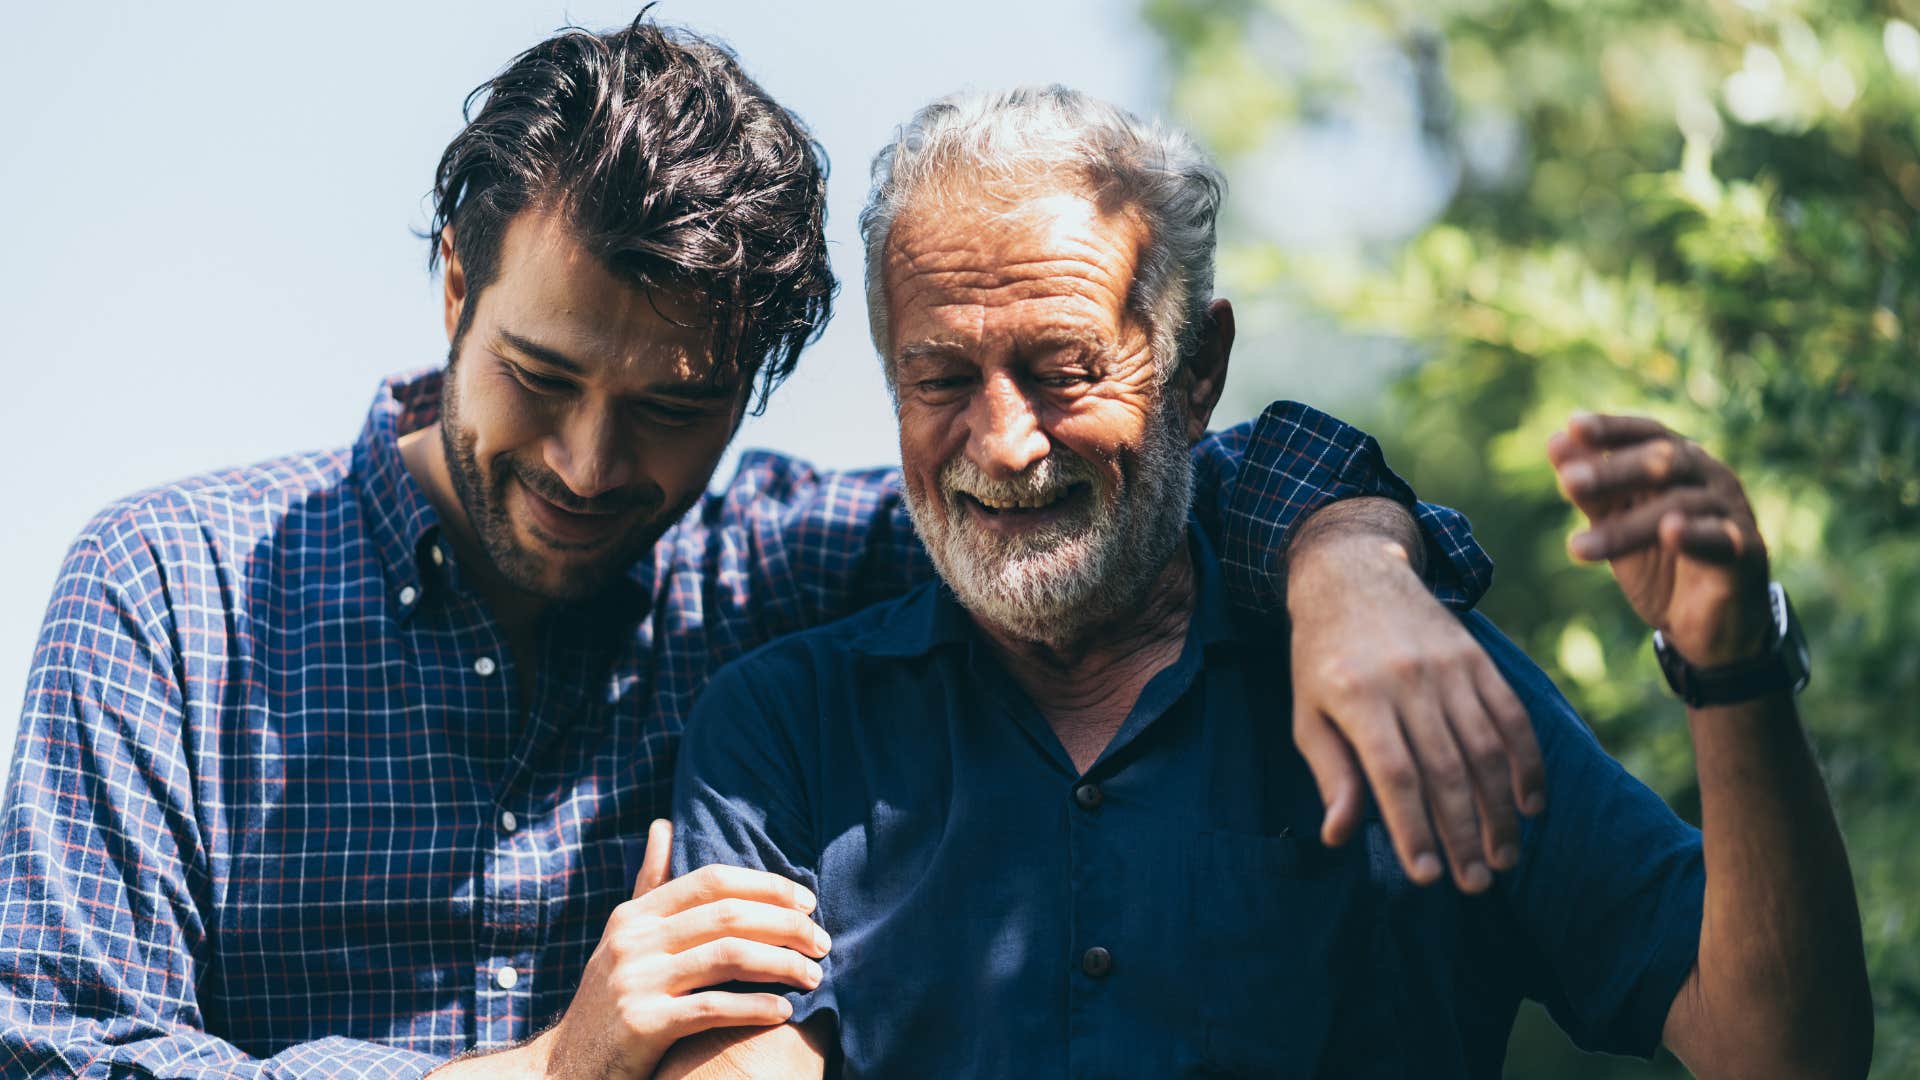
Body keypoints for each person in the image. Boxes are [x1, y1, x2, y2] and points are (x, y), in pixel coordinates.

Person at [0, 19, 1534, 1080]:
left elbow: (1136, 474)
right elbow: (65, 1053)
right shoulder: (166, 595)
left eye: (673, 408)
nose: (594, 468)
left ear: (756, 383)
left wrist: (1351, 564)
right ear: (454, 282)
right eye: (541, 378)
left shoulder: (785, 571)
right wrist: (557, 1064)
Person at [664, 86, 1873, 1078]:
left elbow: (1785, 1053)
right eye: (939, 379)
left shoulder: (1413, 670)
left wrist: (1737, 666)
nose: (1004, 441)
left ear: (1198, 371)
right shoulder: (785, 728)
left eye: (1063, 369)